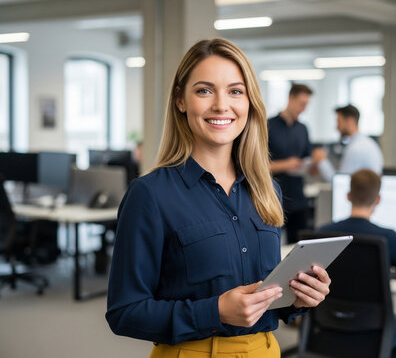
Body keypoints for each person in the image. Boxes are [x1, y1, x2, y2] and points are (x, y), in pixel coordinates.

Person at [105, 38, 331, 358]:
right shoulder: (150, 195)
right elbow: (124, 312)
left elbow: (266, 296)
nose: (221, 105)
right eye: (204, 90)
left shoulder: (267, 190)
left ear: (249, 102)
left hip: (265, 350)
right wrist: (215, 312)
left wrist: (297, 299)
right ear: (181, 100)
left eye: (235, 91)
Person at [318, 169, 396, 347]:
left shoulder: (322, 234)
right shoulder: (388, 238)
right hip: (375, 333)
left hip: (326, 325)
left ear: (348, 195)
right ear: (378, 199)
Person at [268, 83, 314, 244]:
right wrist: (285, 165)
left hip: (299, 199)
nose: (304, 109)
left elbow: (307, 159)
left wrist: (314, 165)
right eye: (302, 104)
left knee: (298, 247)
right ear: (290, 98)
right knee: (273, 246)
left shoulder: (303, 129)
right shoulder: (269, 126)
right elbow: (256, 165)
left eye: (306, 105)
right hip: (273, 198)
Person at [313, 104, 383, 181]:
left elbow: (340, 182)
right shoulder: (367, 143)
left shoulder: (356, 148)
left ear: (350, 121)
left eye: (339, 122)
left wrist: (322, 161)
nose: (337, 127)